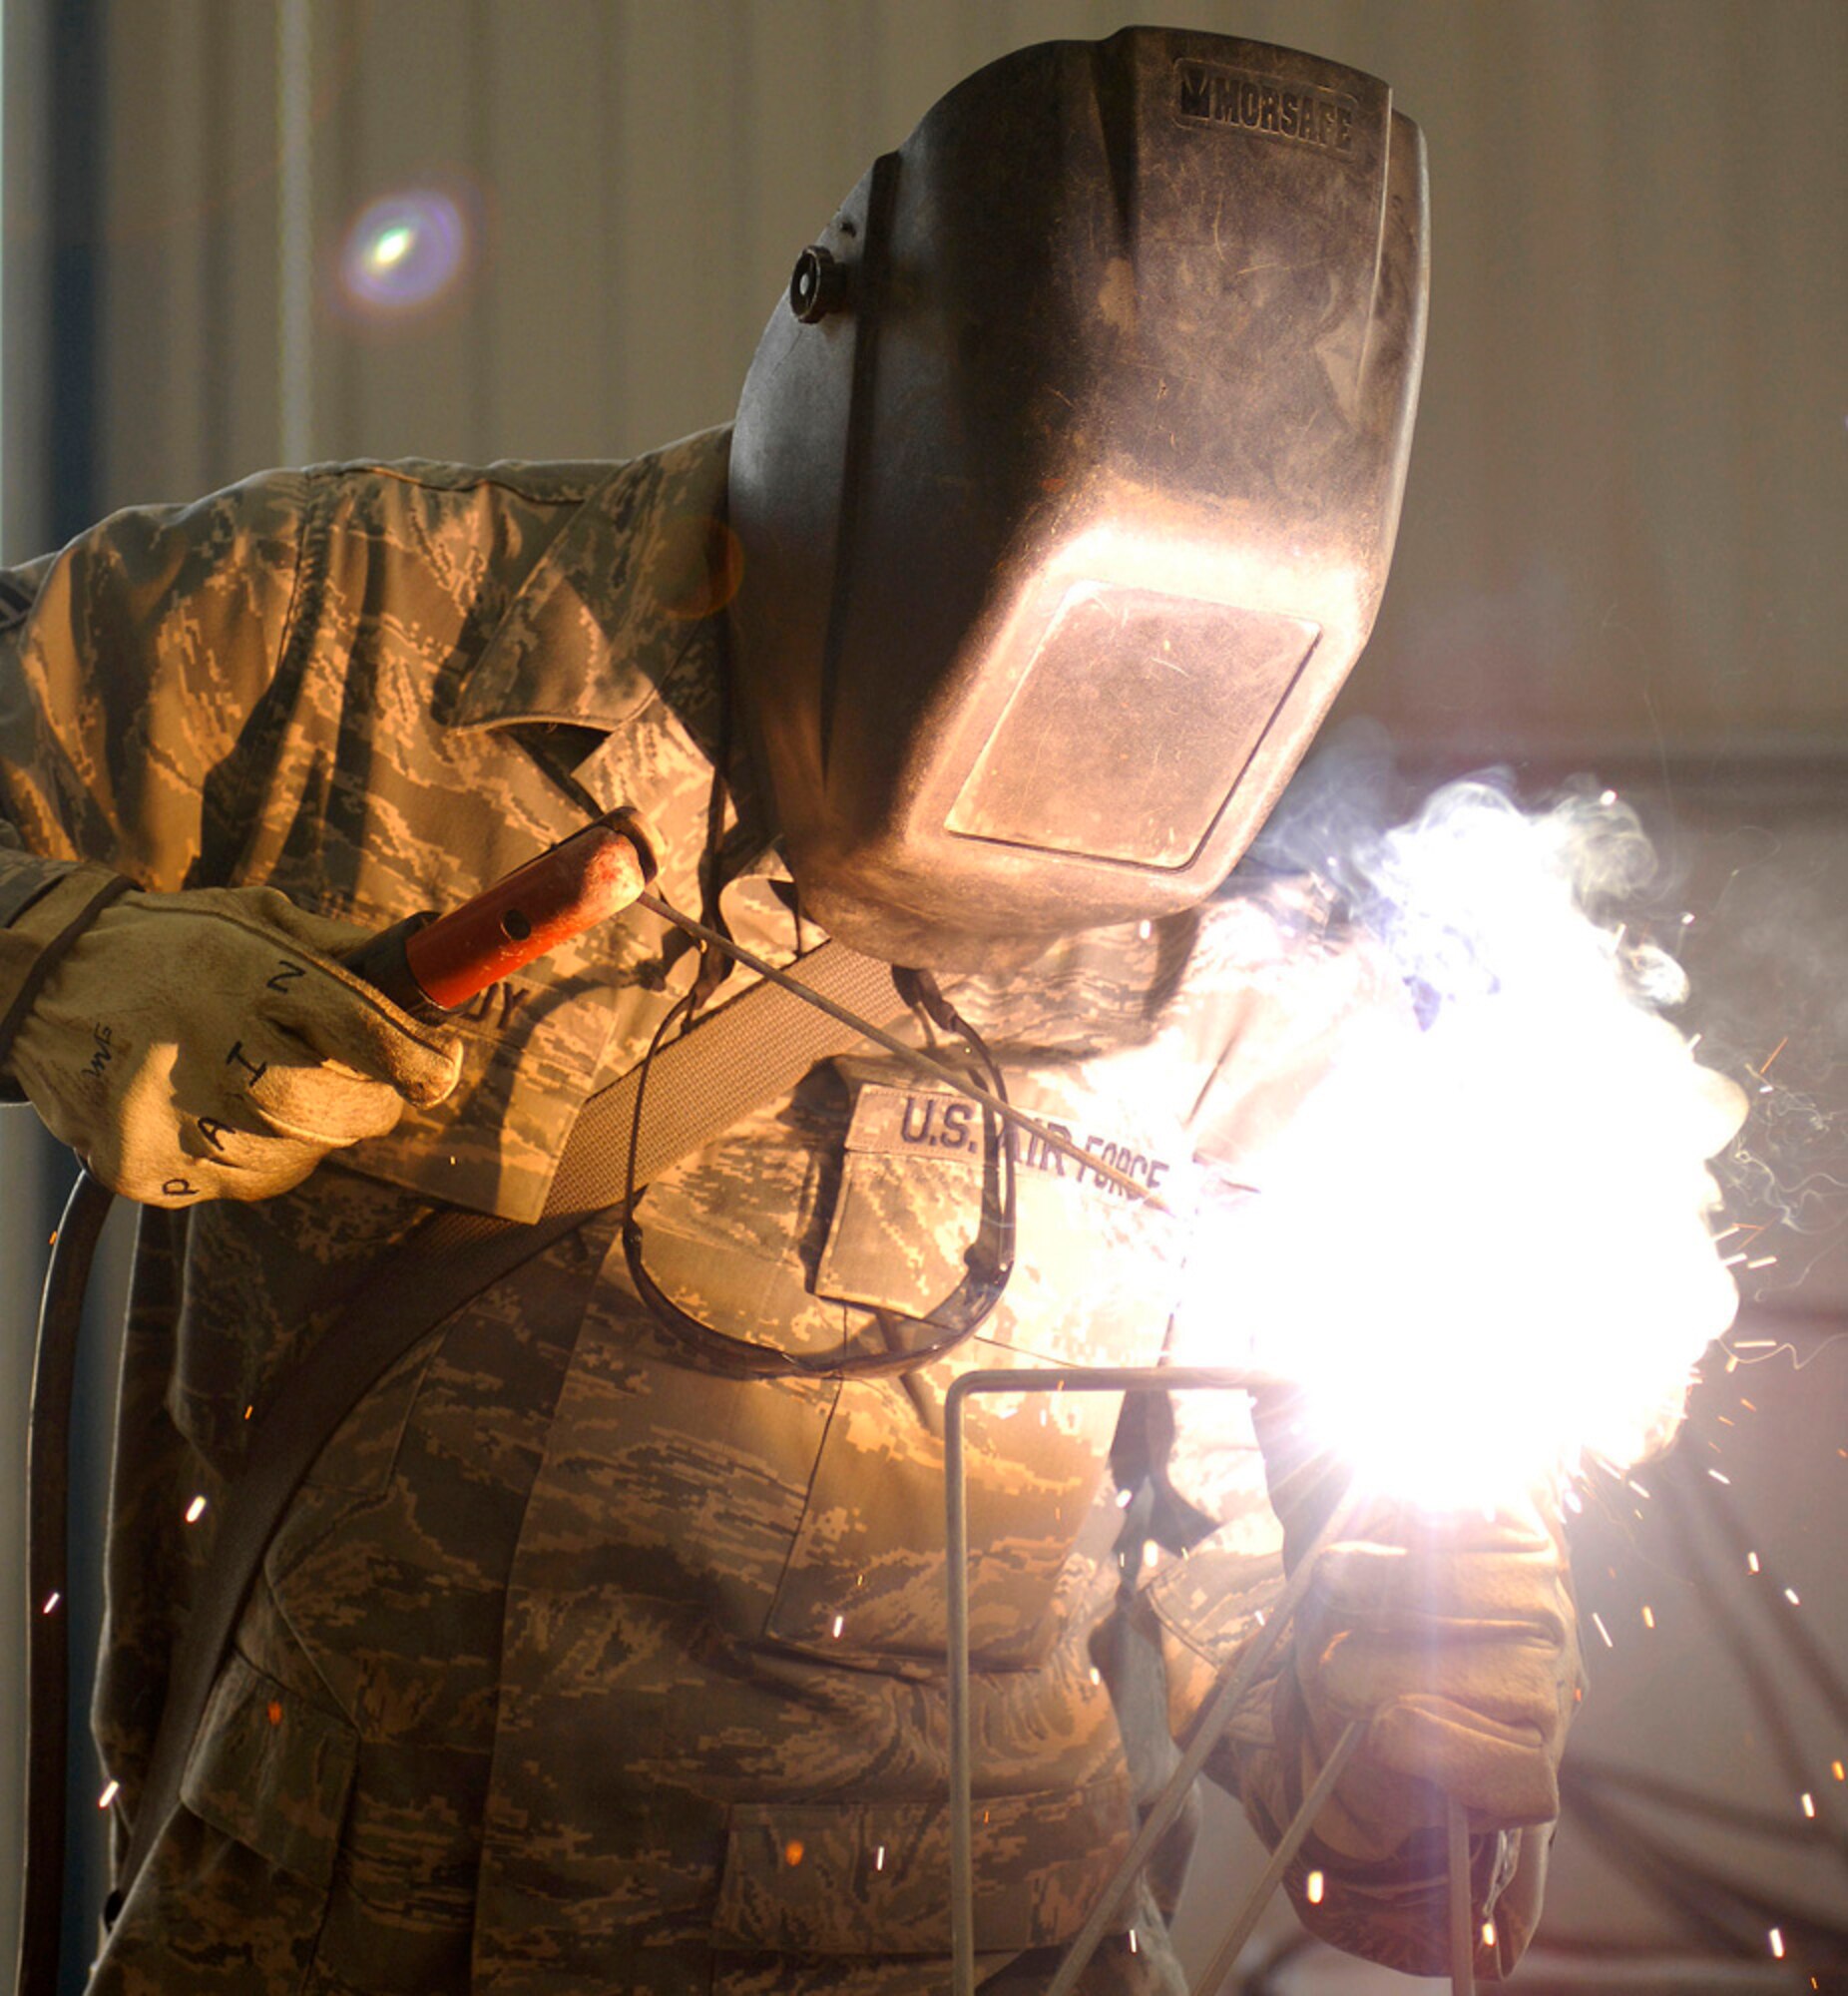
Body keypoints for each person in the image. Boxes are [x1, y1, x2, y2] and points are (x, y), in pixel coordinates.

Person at [0, 28, 1585, 1995]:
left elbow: (1309, 1480)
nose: (1080, 784)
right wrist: (63, 956)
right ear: (878, 428)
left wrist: (1396, 1713)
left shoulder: (1240, 886)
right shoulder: (363, 635)